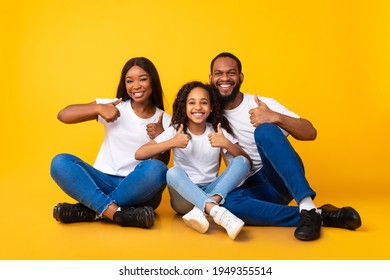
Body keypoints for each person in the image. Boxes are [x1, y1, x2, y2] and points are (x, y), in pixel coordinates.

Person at [204, 52, 362, 241]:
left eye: (231, 73)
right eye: (218, 73)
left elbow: (311, 133)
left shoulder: (263, 103)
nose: (224, 78)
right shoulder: (207, 113)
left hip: (281, 177)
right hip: (254, 189)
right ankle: (315, 214)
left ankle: (305, 201)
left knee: (265, 131)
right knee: (228, 204)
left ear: (241, 77)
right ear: (211, 78)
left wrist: (275, 117)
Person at [50, 57, 171, 228]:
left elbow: (161, 167)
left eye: (142, 79)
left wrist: (161, 138)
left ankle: (92, 210)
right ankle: (117, 213)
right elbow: (63, 115)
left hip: (137, 189)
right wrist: (98, 108)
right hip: (102, 182)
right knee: (60, 162)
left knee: (158, 170)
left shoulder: (165, 120)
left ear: (153, 81)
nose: (136, 86)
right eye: (130, 81)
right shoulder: (113, 106)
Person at [135, 81, 251, 239]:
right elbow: (140, 153)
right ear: (184, 107)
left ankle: (208, 210)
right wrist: (172, 143)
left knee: (241, 161)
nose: (198, 107)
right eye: (192, 103)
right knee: (173, 172)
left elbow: (246, 163)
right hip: (183, 199)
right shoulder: (176, 130)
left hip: (211, 189)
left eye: (204, 102)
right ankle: (215, 209)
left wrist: (226, 143)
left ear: (211, 108)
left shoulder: (218, 132)